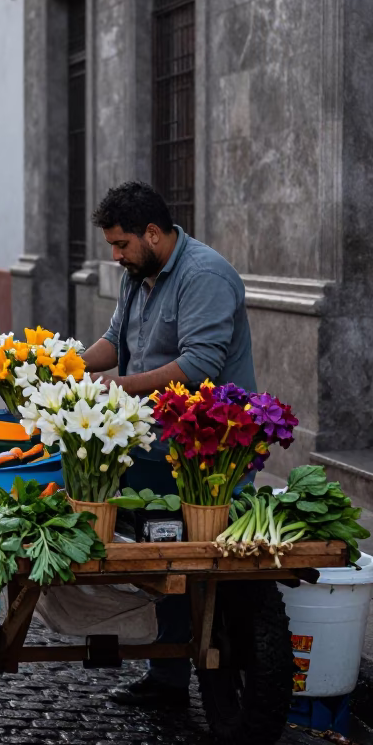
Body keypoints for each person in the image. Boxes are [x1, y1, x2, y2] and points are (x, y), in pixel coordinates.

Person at [80, 181, 256, 708]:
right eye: (112, 246)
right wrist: (61, 367)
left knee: (176, 552)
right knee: (157, 550)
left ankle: (184, 672)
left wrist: (117, 389)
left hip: (205, 451)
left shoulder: (205, 276)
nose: (115, 256)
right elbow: (116, 343)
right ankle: (166, 675)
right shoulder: (139, 274)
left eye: (121, 245)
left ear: (152, 233)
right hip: (149, 441)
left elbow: (200, 365)